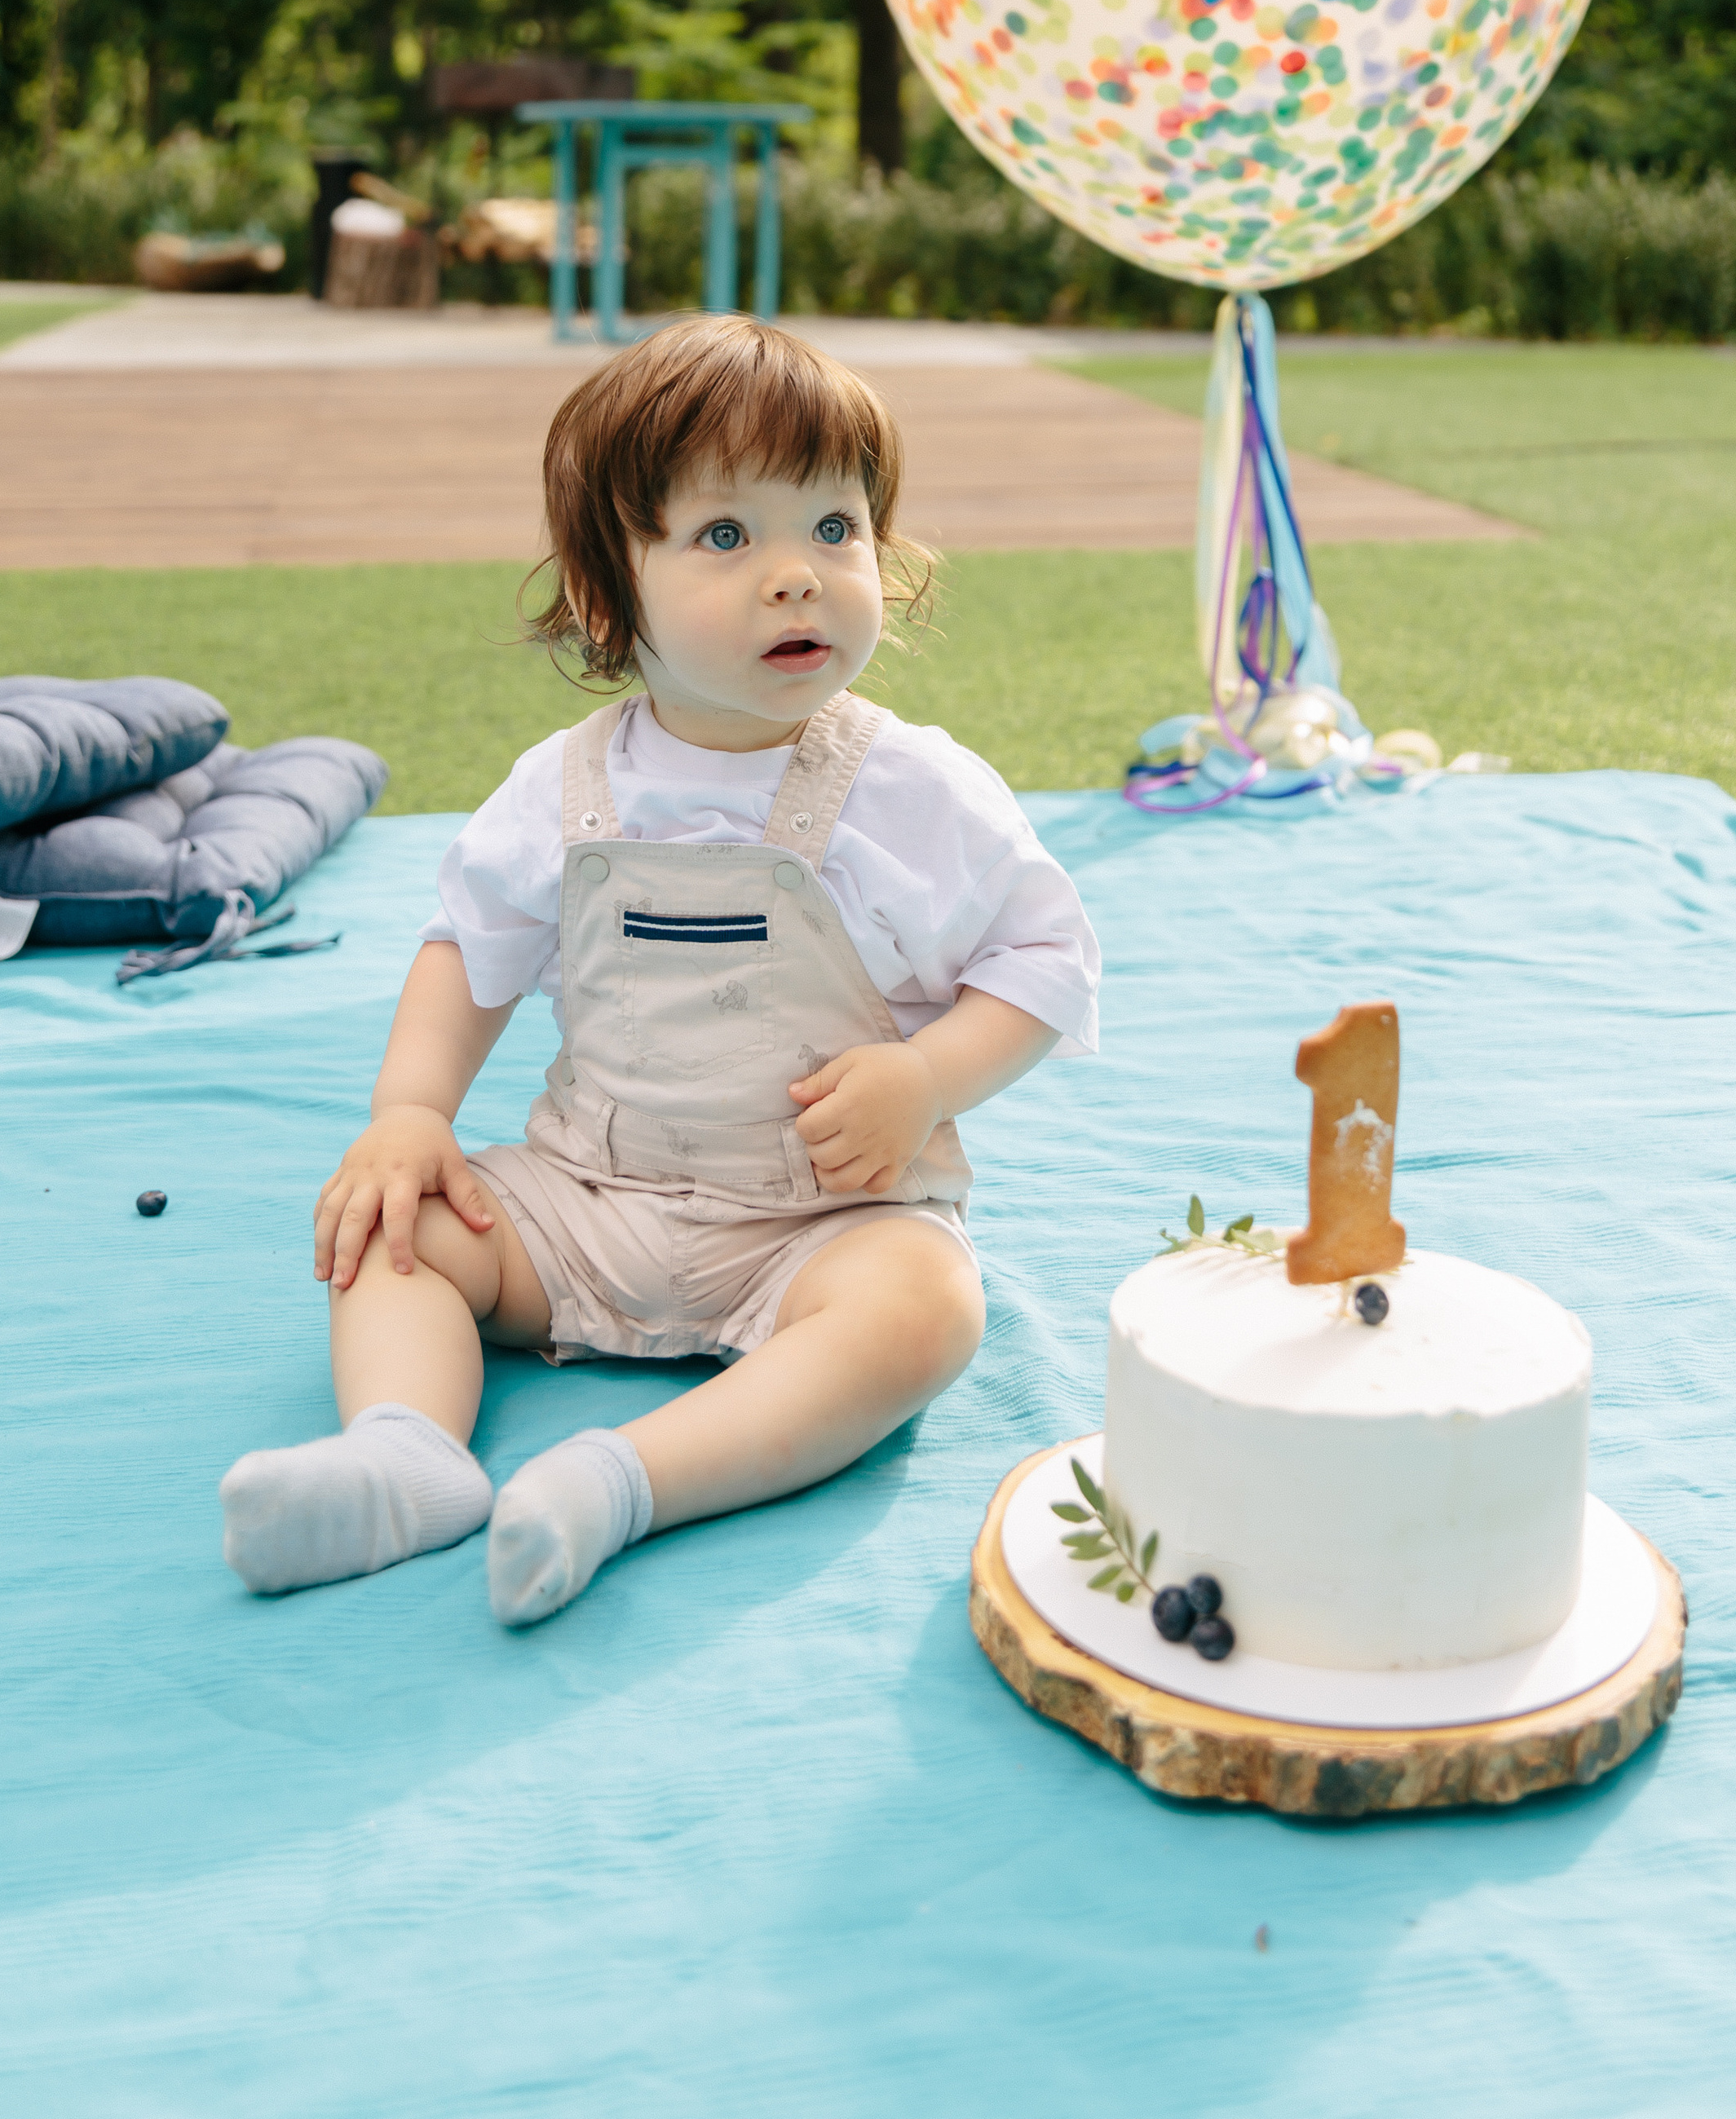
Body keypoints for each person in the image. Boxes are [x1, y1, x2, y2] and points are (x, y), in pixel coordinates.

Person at [219, 316, 1100, 1626]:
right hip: (588, 1196)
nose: (796, 577)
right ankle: (405, 1454)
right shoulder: (562, 789)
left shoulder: (914, 789)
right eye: (727, 538)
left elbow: (1049, 958)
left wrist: (925, 1078)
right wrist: (410, 1116)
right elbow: (469, 949)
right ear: (603, 598)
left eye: (834, 529)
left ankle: (625, 1481)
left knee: (925, 1312)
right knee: (393, 1233)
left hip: (821, 1221)